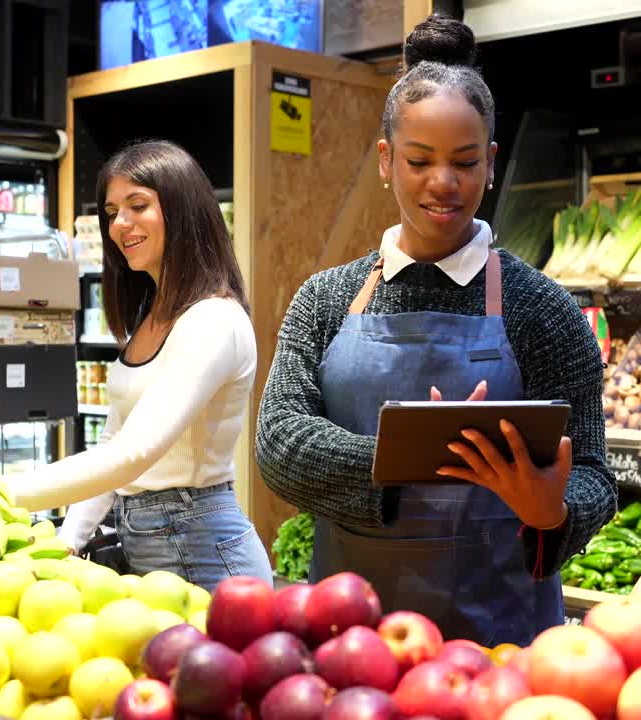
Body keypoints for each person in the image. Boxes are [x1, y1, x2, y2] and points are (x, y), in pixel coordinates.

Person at [254, 14, 615, 646]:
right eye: (420, 161)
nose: (443, 183)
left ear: (492, 164)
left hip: (501, 640)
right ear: (388, 160)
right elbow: (279, 445)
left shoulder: (544, 310)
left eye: (465, 162)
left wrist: (551, 511)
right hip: (353, 636)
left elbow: (593, 473)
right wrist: (407, 455)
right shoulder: (327, 298)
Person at [9, 140, 273, 591]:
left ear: (183, 209)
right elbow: (114, 439)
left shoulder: (213, 319)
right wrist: (70, 537)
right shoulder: (149, 317)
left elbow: (132, 455)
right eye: (112, 211)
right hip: (147, 545)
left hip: (204, 553)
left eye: (138, 205)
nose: (120, 225)